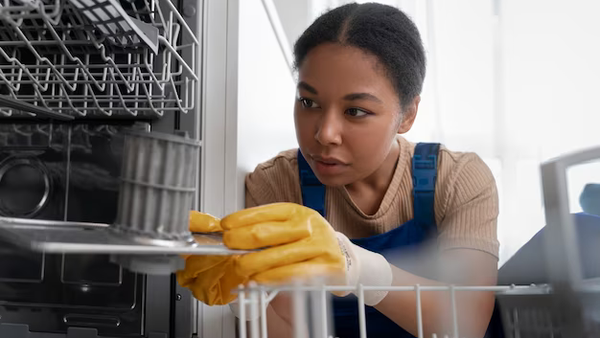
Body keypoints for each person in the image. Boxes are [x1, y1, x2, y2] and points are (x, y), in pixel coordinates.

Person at [177, 2, 499, 337]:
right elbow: (282, 328)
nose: (324, 134)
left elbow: (467, 322)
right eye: (309, 103)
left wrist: (357, 266)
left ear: (407, 114)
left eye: (356, 111)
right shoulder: (278, 184)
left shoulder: (458, 178)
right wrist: (246, 299)